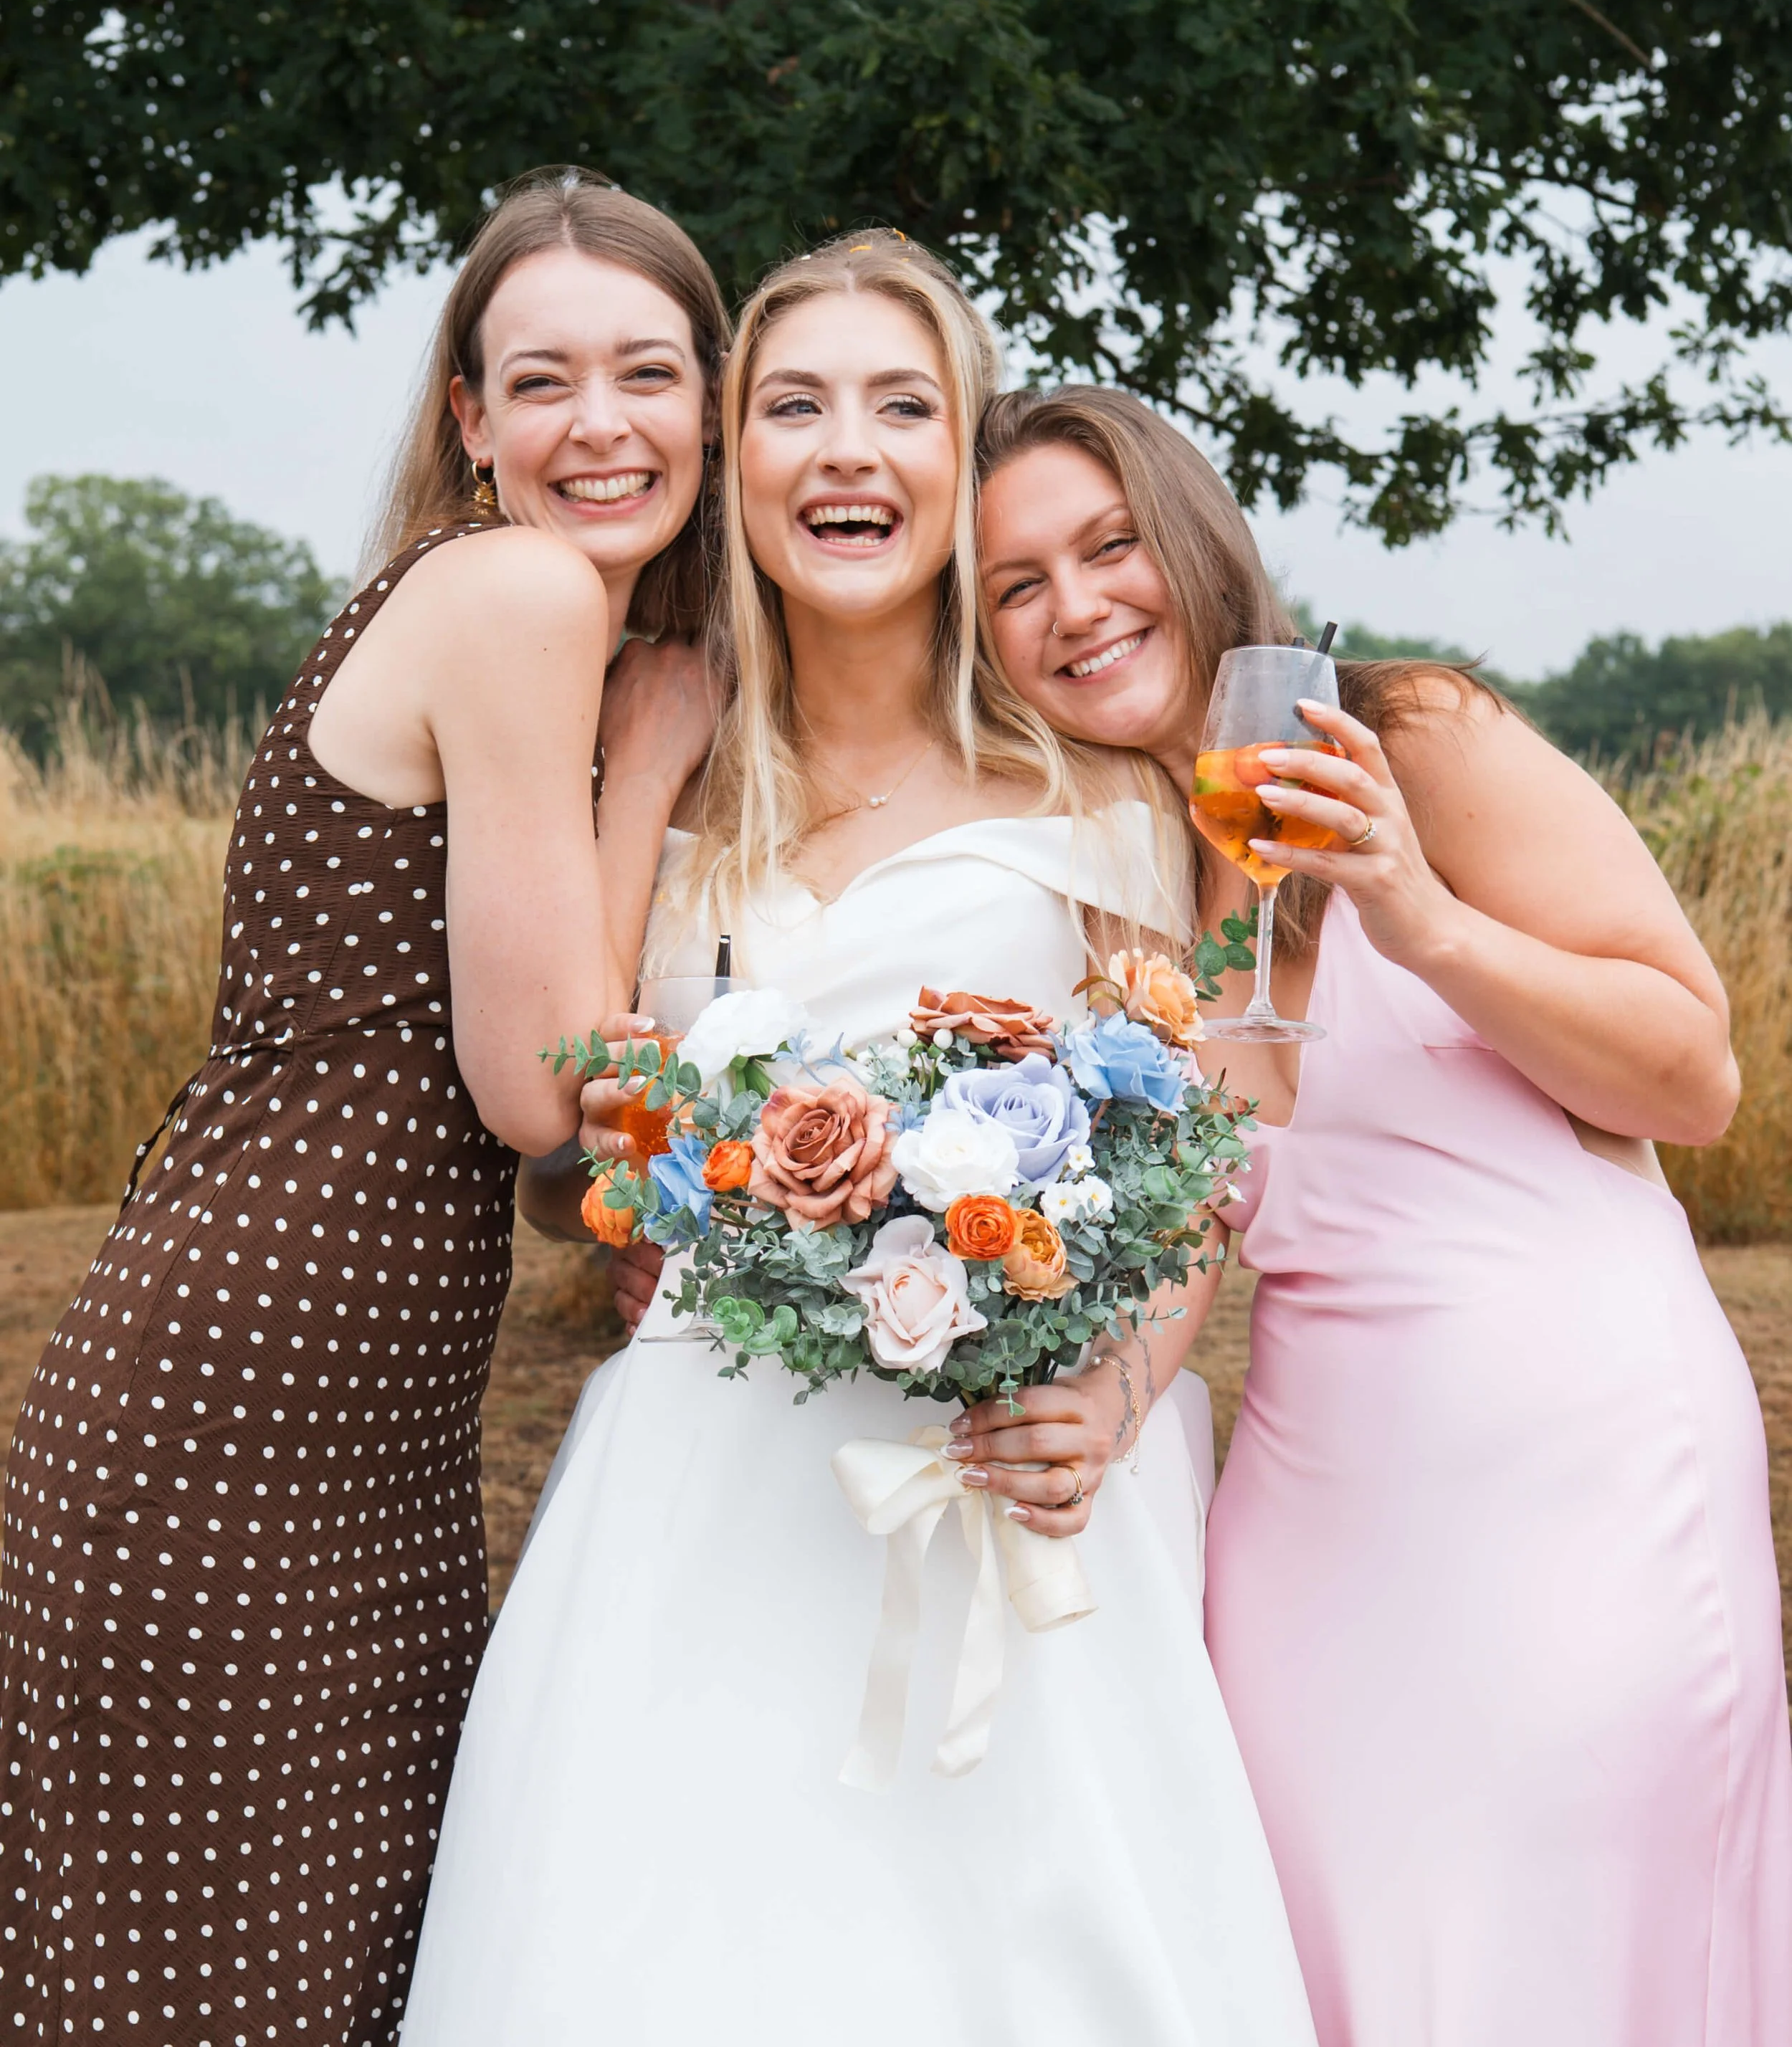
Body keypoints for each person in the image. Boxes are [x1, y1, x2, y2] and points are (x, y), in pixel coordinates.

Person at [399, 235, 1317, 2047]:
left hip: (1001, 1483)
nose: (845, 449)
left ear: (959, 458)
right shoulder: (657, 759)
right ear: (732, 458)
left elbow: (1201, 1153)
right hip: (699, 1479)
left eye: (902, 406)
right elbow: (578, 1133)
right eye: (792, 405)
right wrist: (646, 774)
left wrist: (1116, 1394)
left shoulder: (1097, 791)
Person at [968, 383, 1792, 2046]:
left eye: (1108, 545)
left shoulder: (1412, 736)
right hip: (1309, 1532)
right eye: (1014, 585)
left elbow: (1691, 1076)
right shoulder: (1112, 886)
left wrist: (1419, 918)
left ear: (1190, 541)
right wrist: (1105, 1404)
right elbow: (1188, 1232)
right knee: (1336, 1957)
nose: (1076, 606)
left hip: (1585, 1480)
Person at [0, 168, 725, 2044]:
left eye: (647, 371)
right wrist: (647, 772)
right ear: (470, 421)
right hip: (241, 1427)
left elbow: (521, 1136)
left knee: (306, 1978)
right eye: (542, 380)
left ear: (710, 406)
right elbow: (537, 1082)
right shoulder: (516, 593)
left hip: (359, 1436)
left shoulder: (500, 610)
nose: (599, 422)